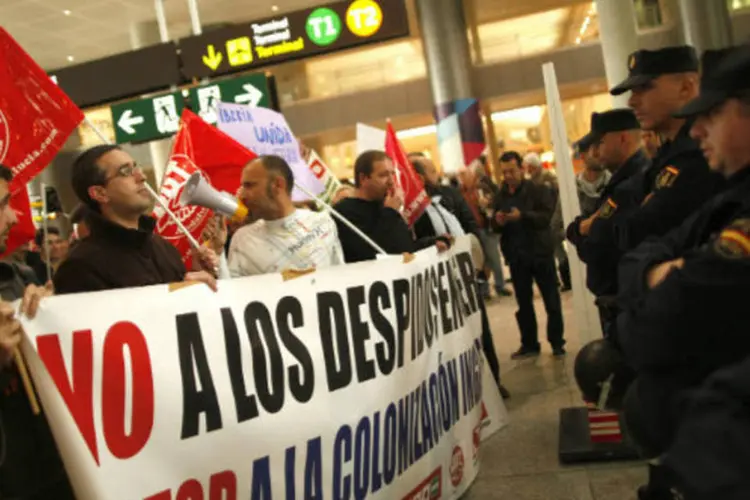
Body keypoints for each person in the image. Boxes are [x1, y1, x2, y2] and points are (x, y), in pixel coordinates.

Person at [615, 45, 747, 499]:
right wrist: (658, 272)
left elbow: (655, 332)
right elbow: (638, 249)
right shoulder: (728, 194)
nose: (701, 128)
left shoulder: (707, 177)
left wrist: (659, 276)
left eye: (712, 113)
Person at [0, 164, 74, 499]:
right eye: (2, 205)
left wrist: (51, 317)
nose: (15, 218)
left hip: (53, 462)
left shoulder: (19, 276)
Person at [53, 145, 217, 294]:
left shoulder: (163, 248)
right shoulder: (80, 266)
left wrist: (197, 275)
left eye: (136, 167)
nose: (141, 176)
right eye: (125, 172)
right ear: (100, 193)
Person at [411, 155, 511, 399]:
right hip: (437, 280)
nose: (437, 173)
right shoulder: (411, 207)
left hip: (465, 271)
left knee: (481, 329)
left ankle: (494, 382)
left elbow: (470, 224)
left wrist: (479, 258)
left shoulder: (449, 194)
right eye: (432, 169)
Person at [609, 46, 725, 252]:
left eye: (644, 88)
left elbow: (633, 234)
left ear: (686, 88)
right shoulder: (668, 152)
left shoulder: (700, 153)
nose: (632, 101)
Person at [566, 109, 649, 332]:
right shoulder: (622, 181)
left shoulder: (632, 183)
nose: (594, 151)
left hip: (627, 300)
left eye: (600, 142)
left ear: (623, 138)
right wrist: (581, 228)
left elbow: (598, 244)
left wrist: (579, 230)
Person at [492, 151, 565, 358]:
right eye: (504, 172)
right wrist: (498, 221)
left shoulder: (539, 190)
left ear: (522, 169)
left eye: (512, 171)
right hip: (517, 257)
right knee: (523, 304)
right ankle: (530, 343)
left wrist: (522, 216)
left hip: (540, 253)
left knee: (551, 300)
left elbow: (545, 217)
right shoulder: (501, 195)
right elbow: (494, 225)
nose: (508, 176)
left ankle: (557, 342)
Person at [228, 155, 344, 277]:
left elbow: (340, 277)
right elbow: (231, 290)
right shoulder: (241, 240)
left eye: (249, 185)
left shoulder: (322, 223)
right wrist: (218, 255)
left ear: (278, 185)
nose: (242, 195)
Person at [334, 150, 447, 263]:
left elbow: (404, 248)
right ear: (363, 178)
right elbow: (370, 252)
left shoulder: (386, 205)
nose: (391, 181)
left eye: (392, 174)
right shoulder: (343, 212)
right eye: (383, 175)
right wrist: (390, 212)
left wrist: (432, 243)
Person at [457, 163, 511, 299]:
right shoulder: (459, 193)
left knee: (493, 258)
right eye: (461, 175)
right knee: (481, 261)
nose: (463, 178)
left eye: (465, 175)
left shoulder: (481, 188)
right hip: (474, 230)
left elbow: (495, 201)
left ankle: (499, 285)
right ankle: (485, 289)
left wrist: (488, 203)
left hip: (487, 226)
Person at [524, 152, 571, 291]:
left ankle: (567, 279)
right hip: (544, 222)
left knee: (558, 252)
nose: (528, 170)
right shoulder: (533, 181)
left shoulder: (547, 178)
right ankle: (558, 280)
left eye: (529, 167)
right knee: (554, 252)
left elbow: (556, 197)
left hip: (553, 220)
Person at [574, 133, 612, 218]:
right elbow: (557, 224)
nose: (600, 154)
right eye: (594, 149)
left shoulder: (614, 181)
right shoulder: (572, 187)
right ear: (583, 156)